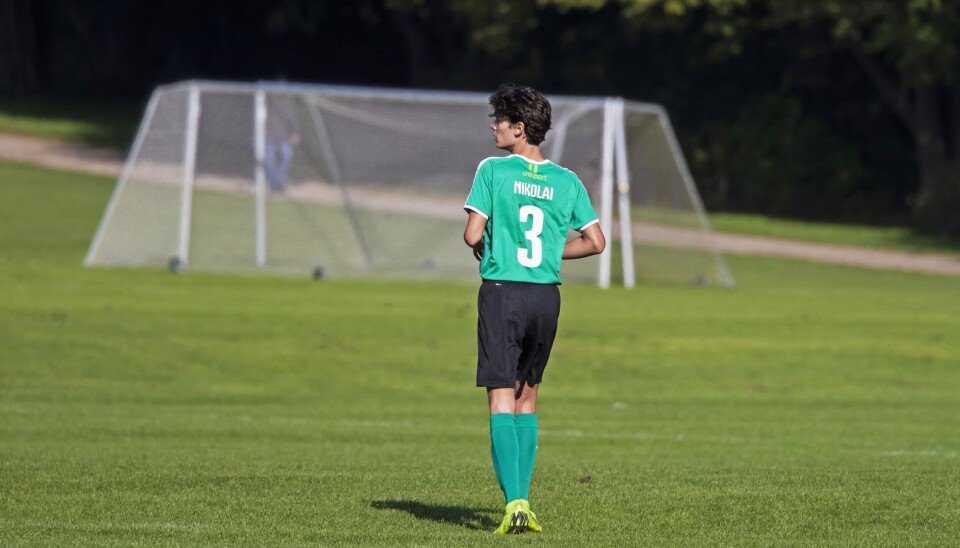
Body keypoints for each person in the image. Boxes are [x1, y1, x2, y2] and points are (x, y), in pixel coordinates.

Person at [463, 84, 606, 535]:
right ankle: (525, 502)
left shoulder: (493, 170)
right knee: (529, 398)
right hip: (546, 296)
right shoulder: (568, 180)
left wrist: (491, 245)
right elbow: (596, 242)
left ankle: (516, 504)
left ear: (519, 128)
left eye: (500, 120)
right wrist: (546, 252)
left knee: (500, 397)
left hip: (503, 292)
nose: (493, 125)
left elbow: (471, 236)